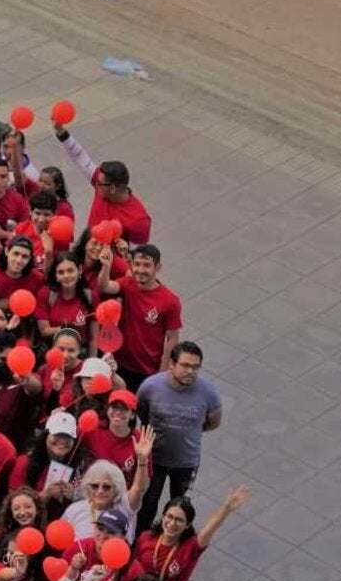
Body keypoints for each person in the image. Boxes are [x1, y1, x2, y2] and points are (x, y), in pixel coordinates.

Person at [133, 487, 248, 581]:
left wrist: (226, 508)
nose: (172, 523)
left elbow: (208, 531)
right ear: (163, 516)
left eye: (179, 520)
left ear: (187, 525)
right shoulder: (146, 538)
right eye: (169, 516)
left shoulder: (190, 547)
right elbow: (132, 569)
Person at [133, 341, 221, 530]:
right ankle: (141, 540)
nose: (190, 371)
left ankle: (172, 544)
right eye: (185, 365)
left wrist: (191, 430)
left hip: (186, 462)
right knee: (148, 501)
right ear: (171, 364)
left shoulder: (209, 392)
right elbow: (141, 411)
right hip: (153, 458)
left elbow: (213, 421)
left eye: (195, 367)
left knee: (179, 507)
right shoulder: (150, 387)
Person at [95, 245, 180, 389]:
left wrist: (162, 372)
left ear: (157, 267)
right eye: (137, 264)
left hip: (147, 370)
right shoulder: (127, 284)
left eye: (146, 265)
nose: (140, 270)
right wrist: (106, 267)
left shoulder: (170, 300)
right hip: (119, 364)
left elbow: (172, 338)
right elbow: (105, 287)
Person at [52, 122, 151, 245]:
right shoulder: (102, 182)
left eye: (99, 183)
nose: (95, 183)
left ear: (113, 188)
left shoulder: (139, 220)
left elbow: (137, 256)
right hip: (86, 249)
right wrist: (61, 132)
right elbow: (80, 157)